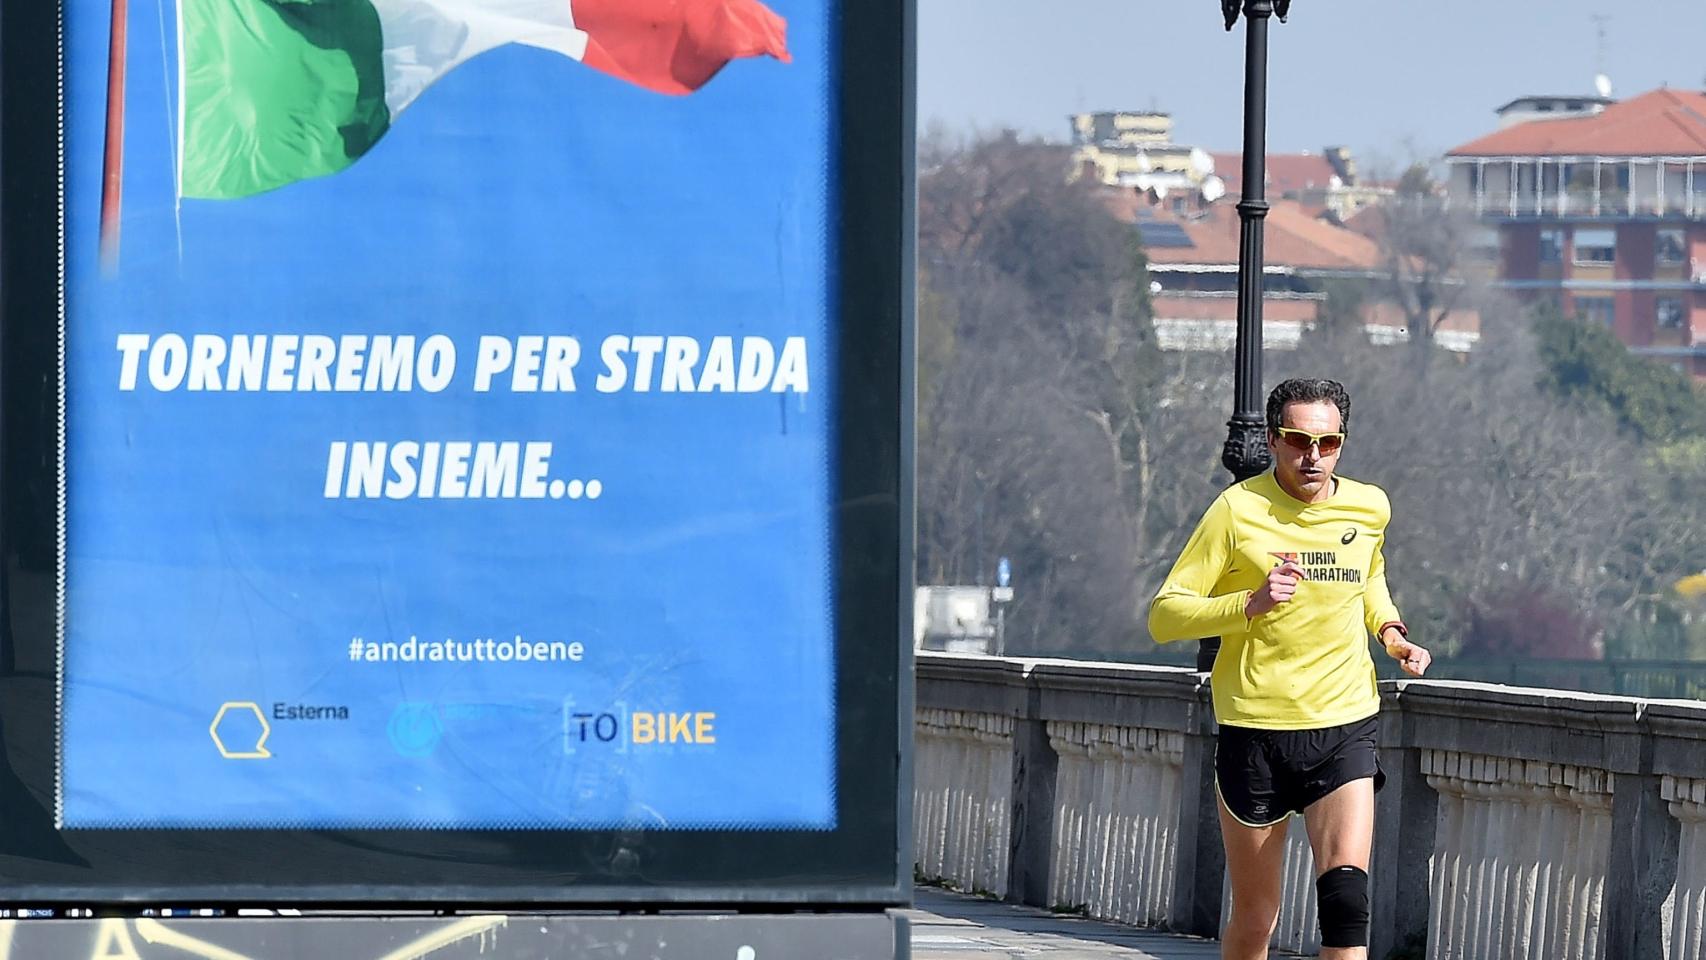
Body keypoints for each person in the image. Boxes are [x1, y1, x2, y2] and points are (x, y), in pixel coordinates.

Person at [1147, 377, 1431, 960]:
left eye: (1328, 444)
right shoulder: (1236, 510)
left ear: (1342, 445)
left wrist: (1392, 633)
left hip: (1344, 720)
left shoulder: (1369, 506)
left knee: (1346, 904)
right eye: (1299, 441)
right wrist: (1246, 605)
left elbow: (1368, 575)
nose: (1313, 456)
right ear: (1273, 441)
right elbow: (1164, 616)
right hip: (1256, 728)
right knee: (1257, 918)